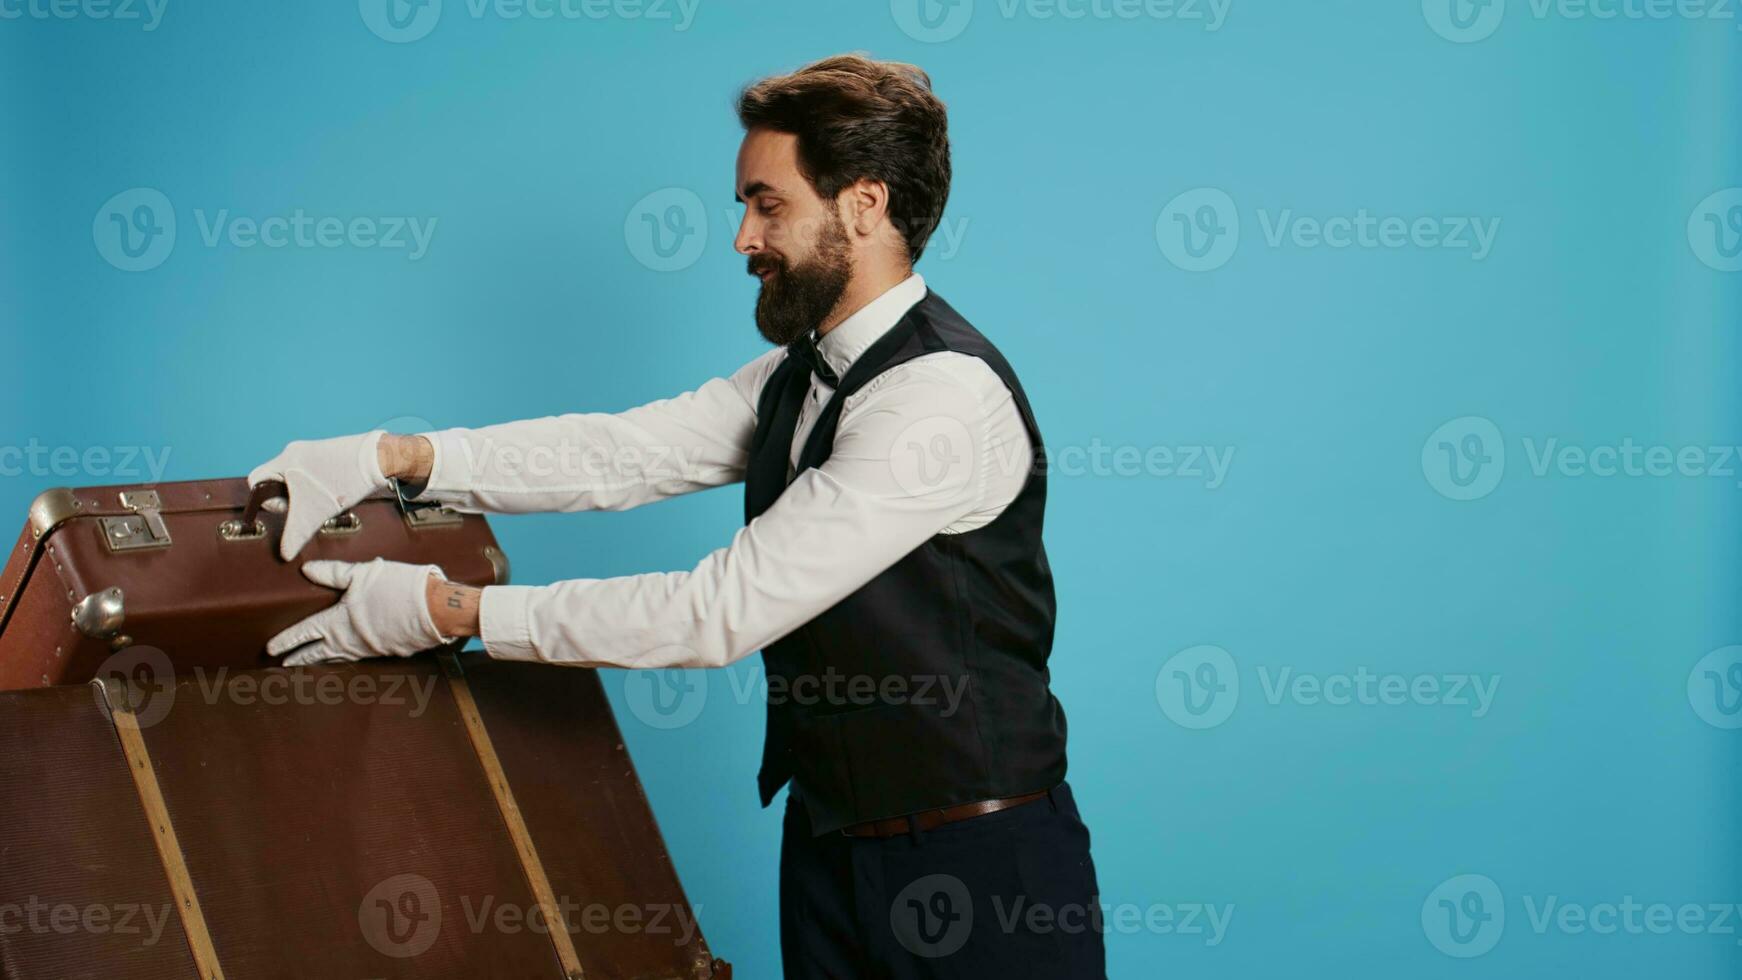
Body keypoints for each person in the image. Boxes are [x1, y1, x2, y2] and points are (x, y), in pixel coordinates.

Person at [249, 53, 1105, 979]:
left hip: (978, 868)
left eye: (768, 205)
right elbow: (623, 452)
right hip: (828, 849)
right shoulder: (802, 371)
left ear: (864, 205)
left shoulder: (937, 398)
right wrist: (395, 459)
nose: (743, 238)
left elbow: (716, 611)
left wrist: (450, 612)